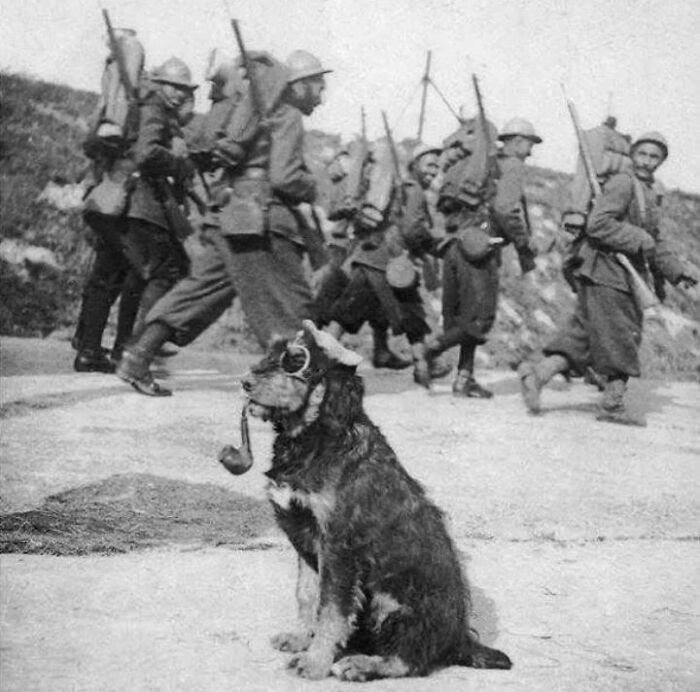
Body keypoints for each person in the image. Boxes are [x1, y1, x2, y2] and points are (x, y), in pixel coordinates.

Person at [116, 49, 330, 396]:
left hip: (227, 214)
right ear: (300, 85)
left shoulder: (245, 112)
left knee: (199, 292)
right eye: (318, 87)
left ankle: (137, 358)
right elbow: (285, 177)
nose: (321, 97)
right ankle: (293, 387)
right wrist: (311, 186)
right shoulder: (287, 114)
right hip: (260, 221)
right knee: (289, 303)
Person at [518, 132, 697, 426]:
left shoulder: (648, 192)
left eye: (655, 157)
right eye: (643, 154)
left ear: (661, 161)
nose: (647, 162)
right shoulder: (624, 183)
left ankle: (537, 375)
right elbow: (598, 224)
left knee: (585, 339)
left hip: (613, 274)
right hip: (607, 272)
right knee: (624, 336)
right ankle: (612, 405)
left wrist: (676, 272)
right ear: (632, 155)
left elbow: (655, 241)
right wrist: (637, 236)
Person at [423, 117, 541, 397]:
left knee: (464, 318)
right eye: (529, 144)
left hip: (454, 245)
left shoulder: (475, 165)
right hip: (478, 249)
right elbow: (505, 209)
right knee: (479, 319)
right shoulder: (512, 167)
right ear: (518, 142)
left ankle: (464, 379)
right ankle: (430, 348)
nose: (531, 151)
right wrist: (524, 242)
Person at [323, 141, 450, 387]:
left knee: (408, 311)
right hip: (385, 261)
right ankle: (314, 363)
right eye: (429, 164)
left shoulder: (404, 188)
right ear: (414, 165)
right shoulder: (414, 191)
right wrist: (434, 245)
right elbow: (412, 230)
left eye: (437, 167)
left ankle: (424, 364)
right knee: (348, 316)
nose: (433, 171)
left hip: (376, 258)